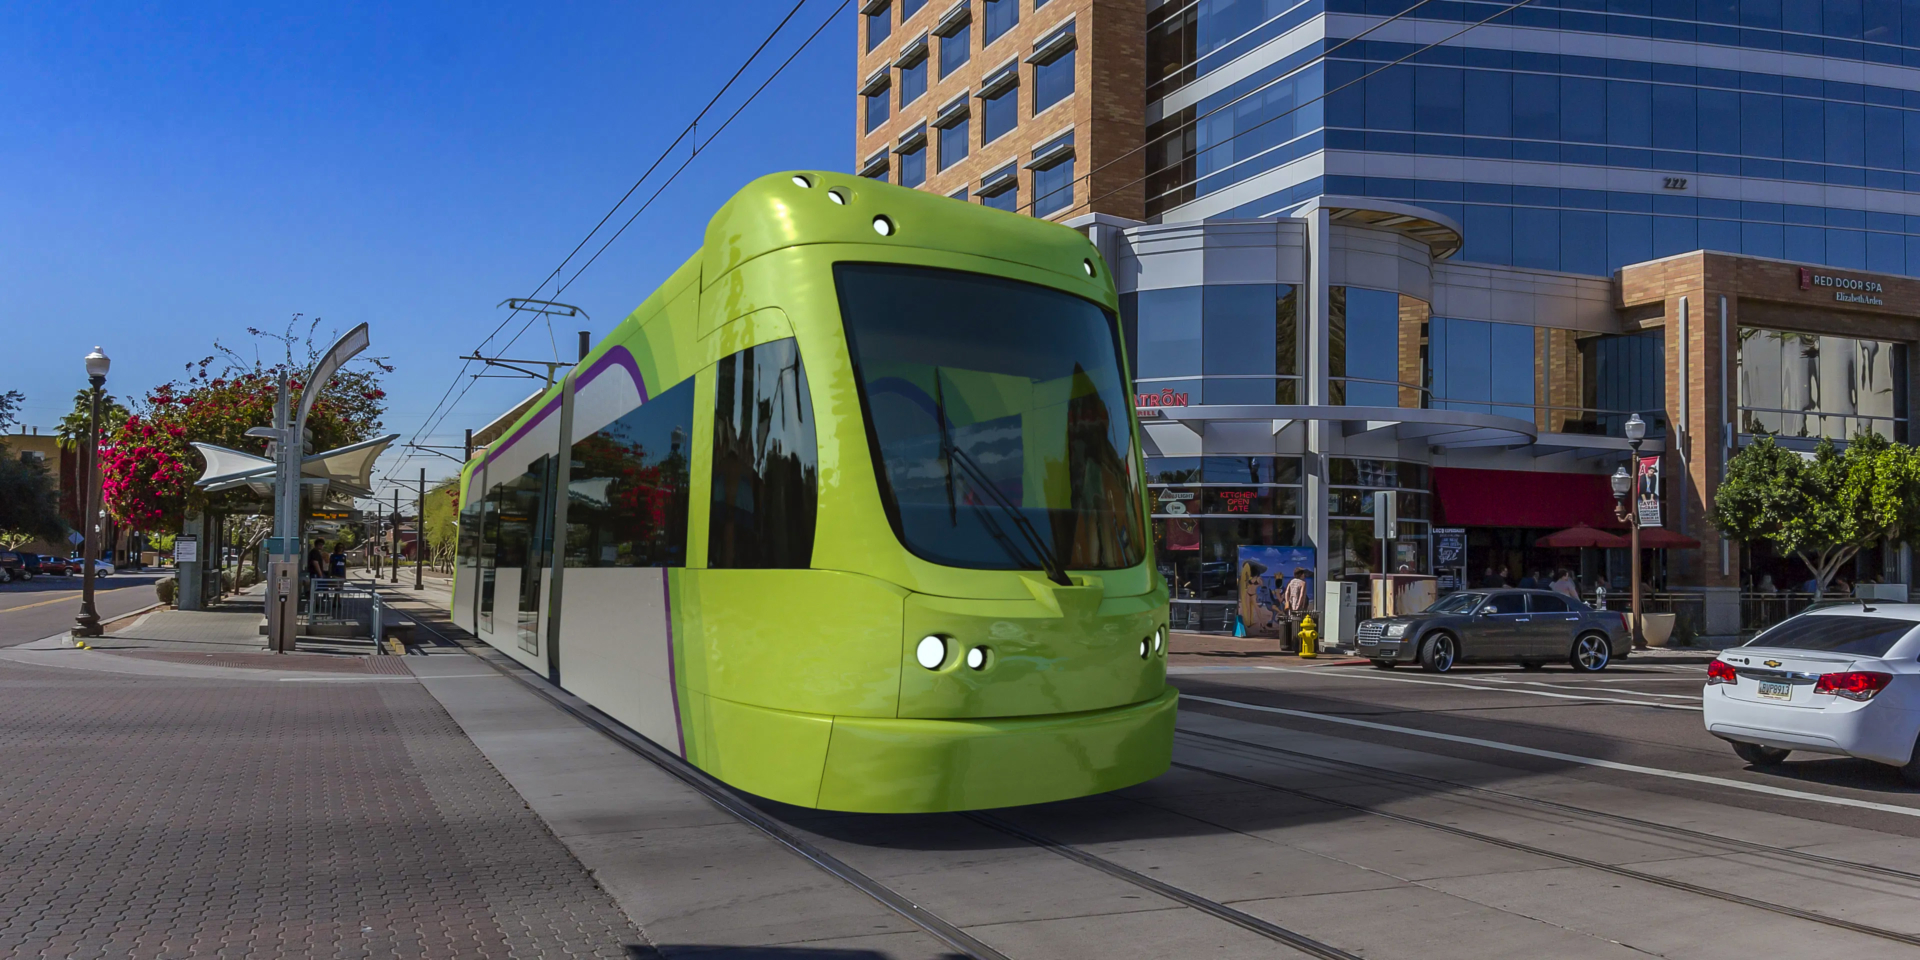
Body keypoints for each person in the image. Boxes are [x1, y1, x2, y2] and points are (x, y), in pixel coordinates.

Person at [1281, 567, 1310, 653]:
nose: (1304, 575)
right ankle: (1298, 645)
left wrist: (1287, 602)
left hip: (1291, 605)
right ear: (1301, 574)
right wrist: (1299, 606)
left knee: (1292, 623)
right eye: (1303, 574)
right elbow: (1301, 596)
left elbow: (1286, 593)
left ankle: (1292, 643)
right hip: (1298, 606)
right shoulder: (1303, 583)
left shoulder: (1291, 582)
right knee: (1299, 625)